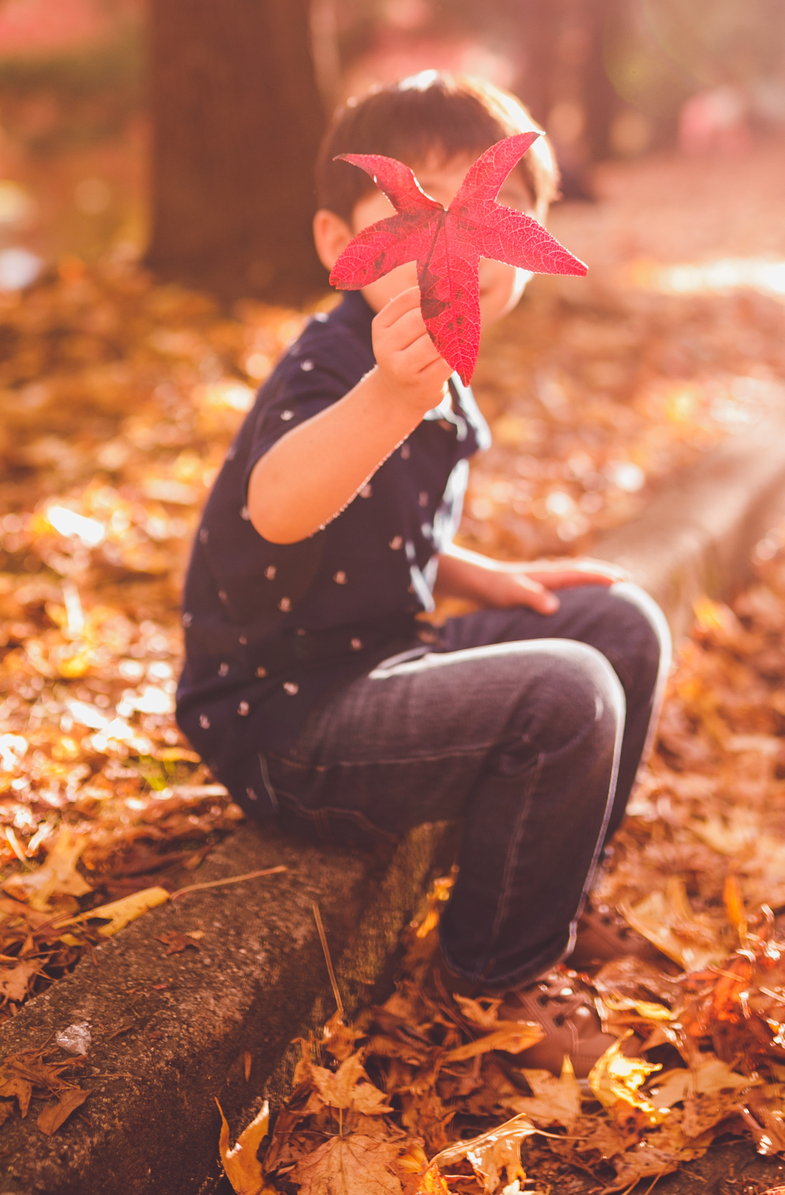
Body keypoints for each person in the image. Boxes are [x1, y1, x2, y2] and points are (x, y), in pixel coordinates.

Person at [176, 72, 670, 1072]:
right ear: (336, 244)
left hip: (385, 658)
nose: (454, 237)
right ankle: (494, 976)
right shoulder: (337, 366)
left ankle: (555, 896)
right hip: (289, 722)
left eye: (491, 210)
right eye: (415, 208)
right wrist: (388, 400)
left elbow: (380, 527)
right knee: (566, 693)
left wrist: (480, 576)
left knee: (617, 623)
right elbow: (281, 506)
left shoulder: (427, 370)